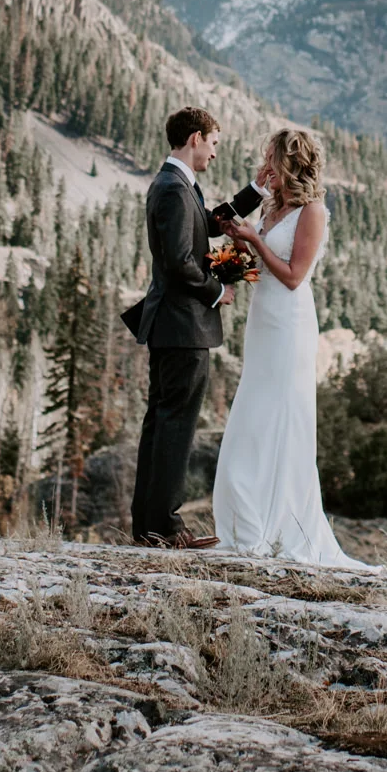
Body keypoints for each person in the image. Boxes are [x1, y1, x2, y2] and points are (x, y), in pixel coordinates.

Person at [211, 127, 367, 568]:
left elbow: (295, 275)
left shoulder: (313, 212)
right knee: (253, 412)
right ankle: (245, 521)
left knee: (280, 414)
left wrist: (256, 239)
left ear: (291, 164)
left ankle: (282, 525)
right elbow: (261, 264)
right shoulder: (272, 206)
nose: (265, 165)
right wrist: (238, 238)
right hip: (263, 319)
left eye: (271, 158)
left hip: (291, 322)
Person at [130, 106, 231, 549]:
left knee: (162, 422)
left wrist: (253, 192)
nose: (214, 152)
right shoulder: (172, 189)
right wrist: (216, 291)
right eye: (212, 142)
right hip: (181, 326)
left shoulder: (178, 185)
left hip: (174, 326)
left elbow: (205, 225)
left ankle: (150, 526)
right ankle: (166, 528)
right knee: (175, 425)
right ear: (195, 138)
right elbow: (177, 262)